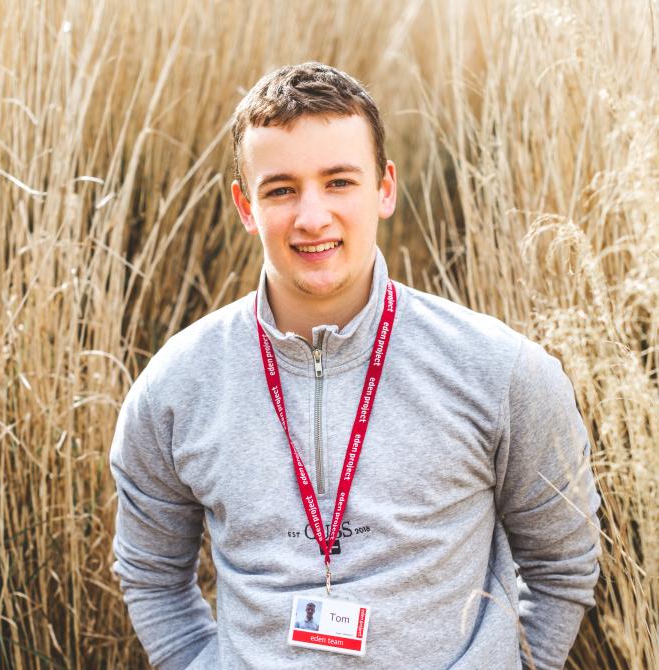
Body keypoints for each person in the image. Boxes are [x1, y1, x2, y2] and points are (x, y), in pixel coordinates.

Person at [110, 62, 601, 670]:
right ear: (244, 205)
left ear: (385, 188)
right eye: (281, 189)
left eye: (339, 181)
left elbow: (562, 567)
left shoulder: (502, 372)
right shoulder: (174, 386)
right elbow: (153, 578)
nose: (312, 217)